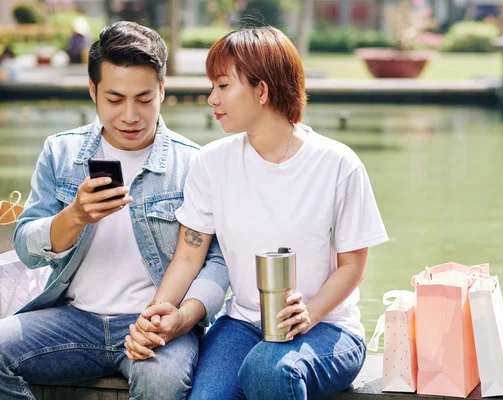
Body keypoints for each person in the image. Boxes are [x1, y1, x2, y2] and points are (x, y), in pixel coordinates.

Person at [126, 26, 388, 399]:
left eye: (223, 86)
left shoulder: (337, 164)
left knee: (268, 369)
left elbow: (353, 266)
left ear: (261, 90)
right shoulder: (212, 163)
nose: (211, 98)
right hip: (242, 323)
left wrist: (309, 313)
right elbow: (188, 254)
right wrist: (155, 315)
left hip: (328, 328)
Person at [0, 21, 228, 400]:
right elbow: (25, 245)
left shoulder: (194, 164)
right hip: (72, 319)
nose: (130, 115)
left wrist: (181, 318)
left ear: (162, 90)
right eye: (115, 98)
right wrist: (74, 216)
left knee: (162, 382)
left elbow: (217, 262)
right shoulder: (62, 153)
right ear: (93, 90)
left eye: (144, 98)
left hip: (155, 324)